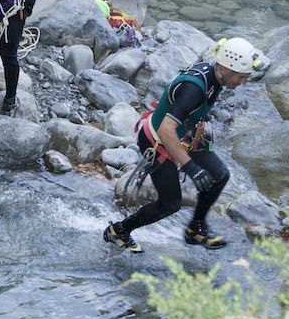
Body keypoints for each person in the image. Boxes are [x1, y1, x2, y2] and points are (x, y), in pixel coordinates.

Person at [103, 37, 263, 253]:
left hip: (182, 137)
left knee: (220, 175)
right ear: (225, 69)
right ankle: (119, 231)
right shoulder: (194, 89)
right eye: (241, 77)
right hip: (157, 141)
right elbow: (166, 130)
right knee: (170, 203)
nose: (243, 82)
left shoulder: (215, 77)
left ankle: (195, 229)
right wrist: (192, 168)